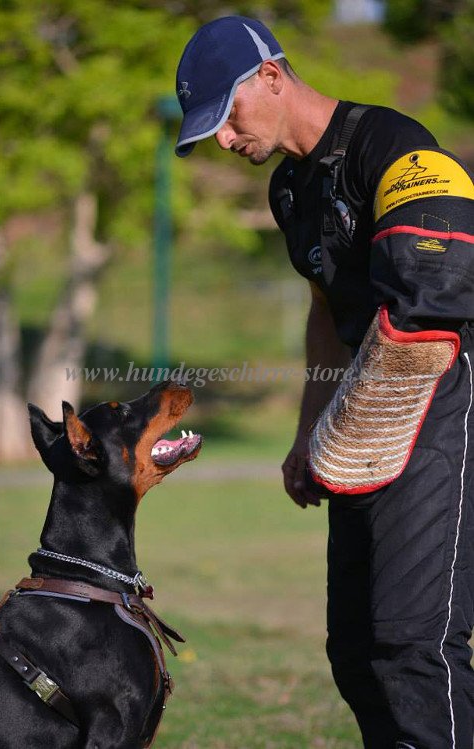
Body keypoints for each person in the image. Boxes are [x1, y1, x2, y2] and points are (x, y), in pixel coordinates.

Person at [174, 15, 474, 749]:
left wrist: (345, 435)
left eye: (227, 115)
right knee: (357, 653)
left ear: (271, 76)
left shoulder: (396, 146)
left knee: (416, 647)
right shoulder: (287, 191)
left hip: (439, 409)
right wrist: (311, 430)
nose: (222, 139)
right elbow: (324, 311)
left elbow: (428, 312)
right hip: (359, 427)